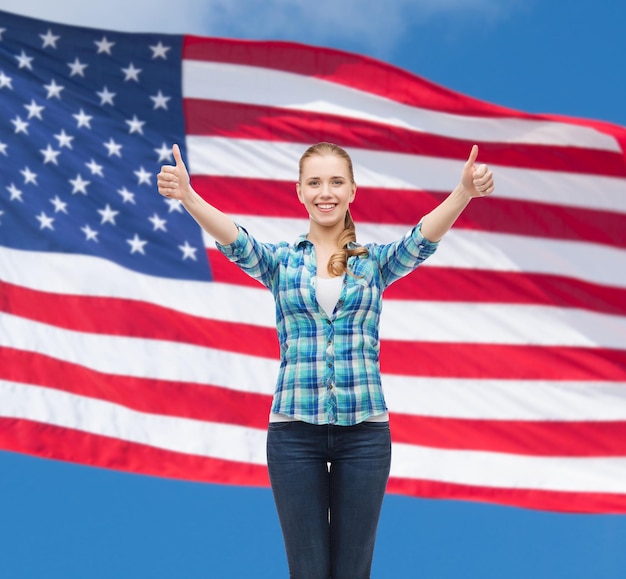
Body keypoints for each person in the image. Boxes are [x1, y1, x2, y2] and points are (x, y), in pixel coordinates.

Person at [157, 142, 494, 579]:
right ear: (299, 192)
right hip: (294, 434)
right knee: (309, 571)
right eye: (314, 182)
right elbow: (235, 240)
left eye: (336, 181)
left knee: (353, 572)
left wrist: (463, 192)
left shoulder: (373, 264)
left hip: (364, 437)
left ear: (353, 190)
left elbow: (421, 239)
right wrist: (188, 196)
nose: (325, 192)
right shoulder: (280, 262)